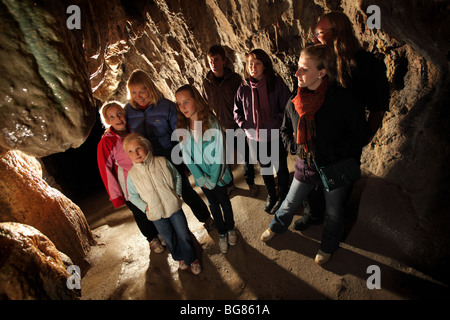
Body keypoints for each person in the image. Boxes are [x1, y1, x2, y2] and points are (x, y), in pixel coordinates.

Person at [261, 44, 371, 265]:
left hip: (335, 167)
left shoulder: (343, 100)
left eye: (304, 69)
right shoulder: (297, 100)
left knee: (334, 211)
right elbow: (284, 130)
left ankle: (328, 246)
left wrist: (330, 151)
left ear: (322, 72)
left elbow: (360, 136)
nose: (297, 73)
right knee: (291, 201)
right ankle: (276, 226)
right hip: (305, 165)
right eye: (298, 68)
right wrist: (294, 147)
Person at [294, 11, 390, 232]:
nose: (314, 38)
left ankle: (335, 218)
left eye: (319, 33)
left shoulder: (366, 64)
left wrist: (363, 137)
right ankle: (314, 214)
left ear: (337, 33)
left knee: (341, 180)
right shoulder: (319, 60)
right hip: (318, 134)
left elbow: (379, 104)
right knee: (312, 178)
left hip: (346, 138)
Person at [125, 69, 214, 231]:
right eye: (133, 92)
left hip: (169, 156)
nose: (138, 96)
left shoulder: (166, 107)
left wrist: (184, 162)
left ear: (150, 88)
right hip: (147, 161)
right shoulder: (128, 111)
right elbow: (120, 127)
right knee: (157, 196)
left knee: (185, 191)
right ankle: (176, 231)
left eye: (142, 91)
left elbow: (180, 135)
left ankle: (206, 218)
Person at [124, 133, 201, 275]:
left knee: (183, 234)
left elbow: (177, 177)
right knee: (168, 237)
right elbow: (132, 196)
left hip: (173, 207)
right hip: (156, 214)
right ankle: (179, 258)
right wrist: (145, 207)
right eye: (130, 151)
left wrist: (176, 194)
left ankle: (192, 258)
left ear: (146, 146)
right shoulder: (132, 175)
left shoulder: (162, 162)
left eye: (139, 148)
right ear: (127, 155)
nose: (136, 153)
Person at [175, 84, 237, 254]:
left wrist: (213, 178)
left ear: (196, 100)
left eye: (186, 102)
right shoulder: (183, 128)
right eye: (179, 104)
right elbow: (187, 157)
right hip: (203, 178)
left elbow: (219, 153)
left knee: (224, 202)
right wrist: (200, 178)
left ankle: (231, 228)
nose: (183, 108)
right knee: (213, 205)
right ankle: (222, 232)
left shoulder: (211, 122)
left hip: (218, 175)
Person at [97, 101, 165, 254]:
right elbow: (105, 170)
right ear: (107, 121)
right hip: (129, 187)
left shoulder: (133, 131)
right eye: (112, 117)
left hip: (146, 180)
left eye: (120, 113)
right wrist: (116, 196)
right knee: (140, 213)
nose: (118, 119)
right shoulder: (106, 142)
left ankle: (161, 232)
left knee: (153, 205)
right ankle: (151, 238)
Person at [233, 49, 291, 214]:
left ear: (265, 65)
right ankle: (272, 195)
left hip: (274, 134)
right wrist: (245, 125)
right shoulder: (243, 87)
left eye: (257, 63)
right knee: (264, 168)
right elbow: (237, 111)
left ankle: (283, 196)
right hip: (255, 137)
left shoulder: (276, 83)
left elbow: (287, 107)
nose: (253, 67)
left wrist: (276, 123)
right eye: (250, 63)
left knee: (280, 167)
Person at [202, 45, 258, 197]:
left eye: (216, 60)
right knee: (224, 159)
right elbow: (206, 105)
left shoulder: (234, 79)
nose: (213, 63)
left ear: (224, 61)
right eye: (210, 60)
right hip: (220, 127)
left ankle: (251, 182)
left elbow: (244, 102)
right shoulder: (207, 83)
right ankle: (230, 184)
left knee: (245, 156)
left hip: (236, 125)